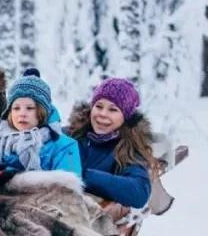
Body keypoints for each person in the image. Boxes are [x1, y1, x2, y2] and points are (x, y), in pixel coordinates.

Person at [0, 68, 81, 182]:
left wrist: (21, 180)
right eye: (16, 108)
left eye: (29, 108)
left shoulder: (63, 146)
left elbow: (68, 184)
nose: (22, 114)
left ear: (42, 112)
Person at [64, 78, 155, 208]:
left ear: (126, 117)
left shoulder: (128, 148)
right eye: (99, 106)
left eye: (113, 110)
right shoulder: (70, 135)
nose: (103, 114)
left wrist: (84, 175)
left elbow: (139, 192)